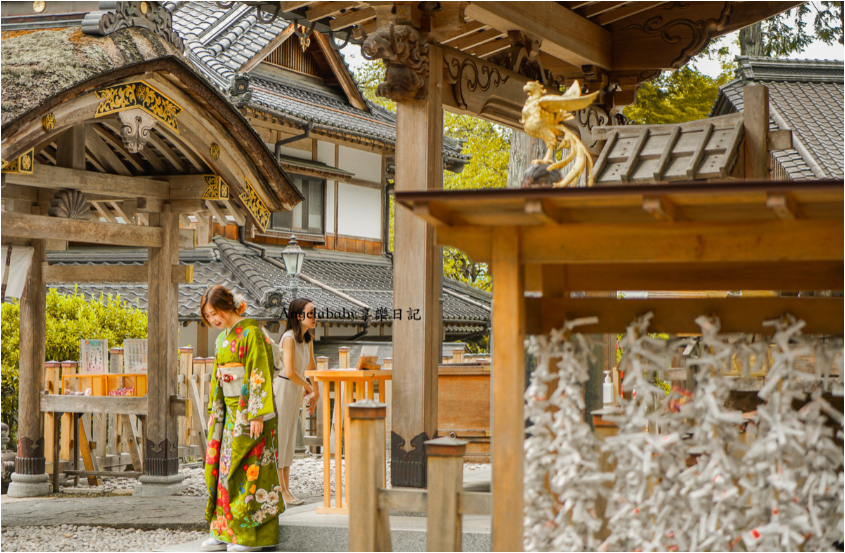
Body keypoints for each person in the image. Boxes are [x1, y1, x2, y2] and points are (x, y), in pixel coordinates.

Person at [200, 286, 282, 552]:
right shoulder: (223, 339)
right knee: (225, 471)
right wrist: (217, 413)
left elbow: (258, 372)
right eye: (208, 316)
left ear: (227, 305)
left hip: (250, 413)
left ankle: (251, 537)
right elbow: (218, 381)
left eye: (215, 313)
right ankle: (224, 530)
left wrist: (257, 413)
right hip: (229, 414)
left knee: (251, 471)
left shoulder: (251, 333)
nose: (213, 320)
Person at [273, 297, 319, 506]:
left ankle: (286, 488)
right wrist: (307, 387)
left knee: (290, 438)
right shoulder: (289, 338)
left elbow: (312, 367)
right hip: (283, 389)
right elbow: (290, 372)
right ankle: (280, 489)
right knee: (281, 437)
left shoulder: (308, 338)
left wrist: (315, 392)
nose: (314, 316)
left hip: (295, 390)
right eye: (310, 313)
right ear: (299, 316)